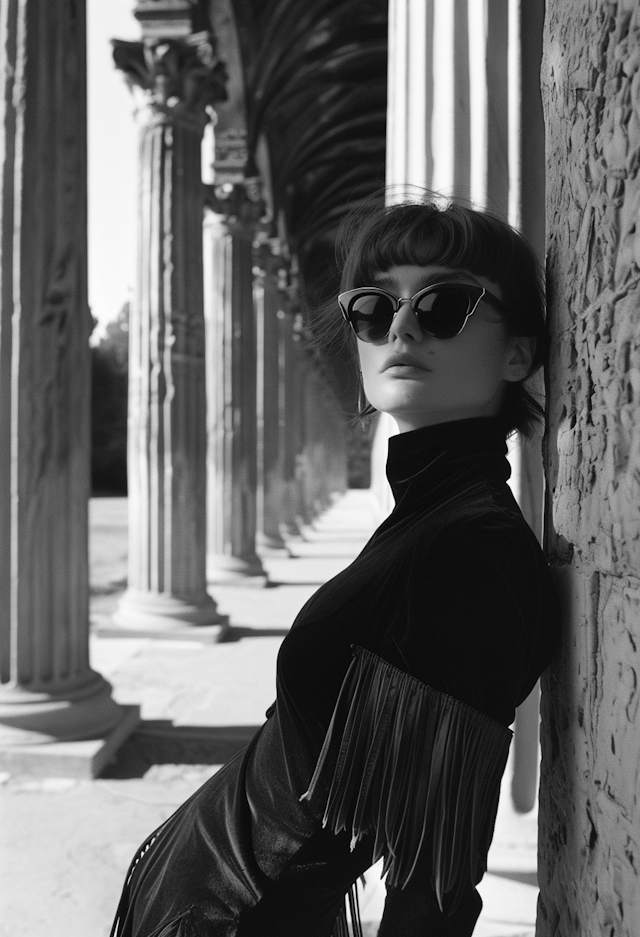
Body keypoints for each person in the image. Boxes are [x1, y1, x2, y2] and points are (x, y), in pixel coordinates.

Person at [110, 195, 560, 937]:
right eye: (372, 309)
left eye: (444, 304)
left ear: (519, 352)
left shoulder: (468, 550)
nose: (402, 326)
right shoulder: (429, 520)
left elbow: (436, 881)